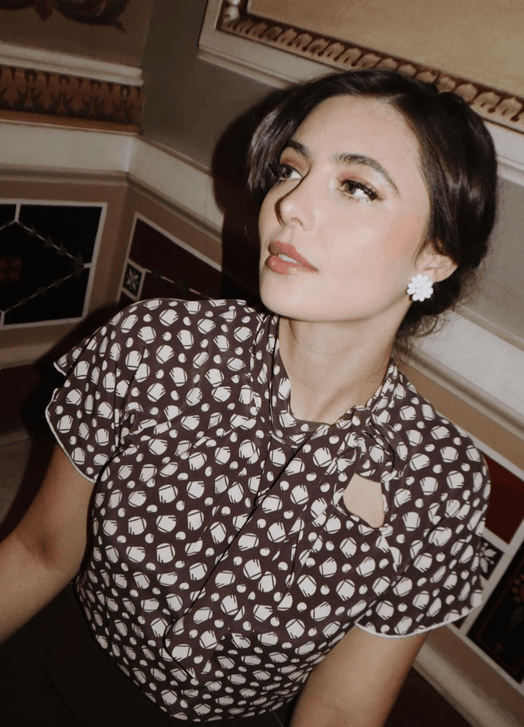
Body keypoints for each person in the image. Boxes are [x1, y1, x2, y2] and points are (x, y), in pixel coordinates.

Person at [0, 69, 497, 726]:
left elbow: (341, 709)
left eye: (356, 186)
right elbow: (39, 551)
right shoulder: (155, 345)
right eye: (291, 170)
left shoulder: (441, 481)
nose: (289, 204)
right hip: (51, 674)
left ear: (434, 257)